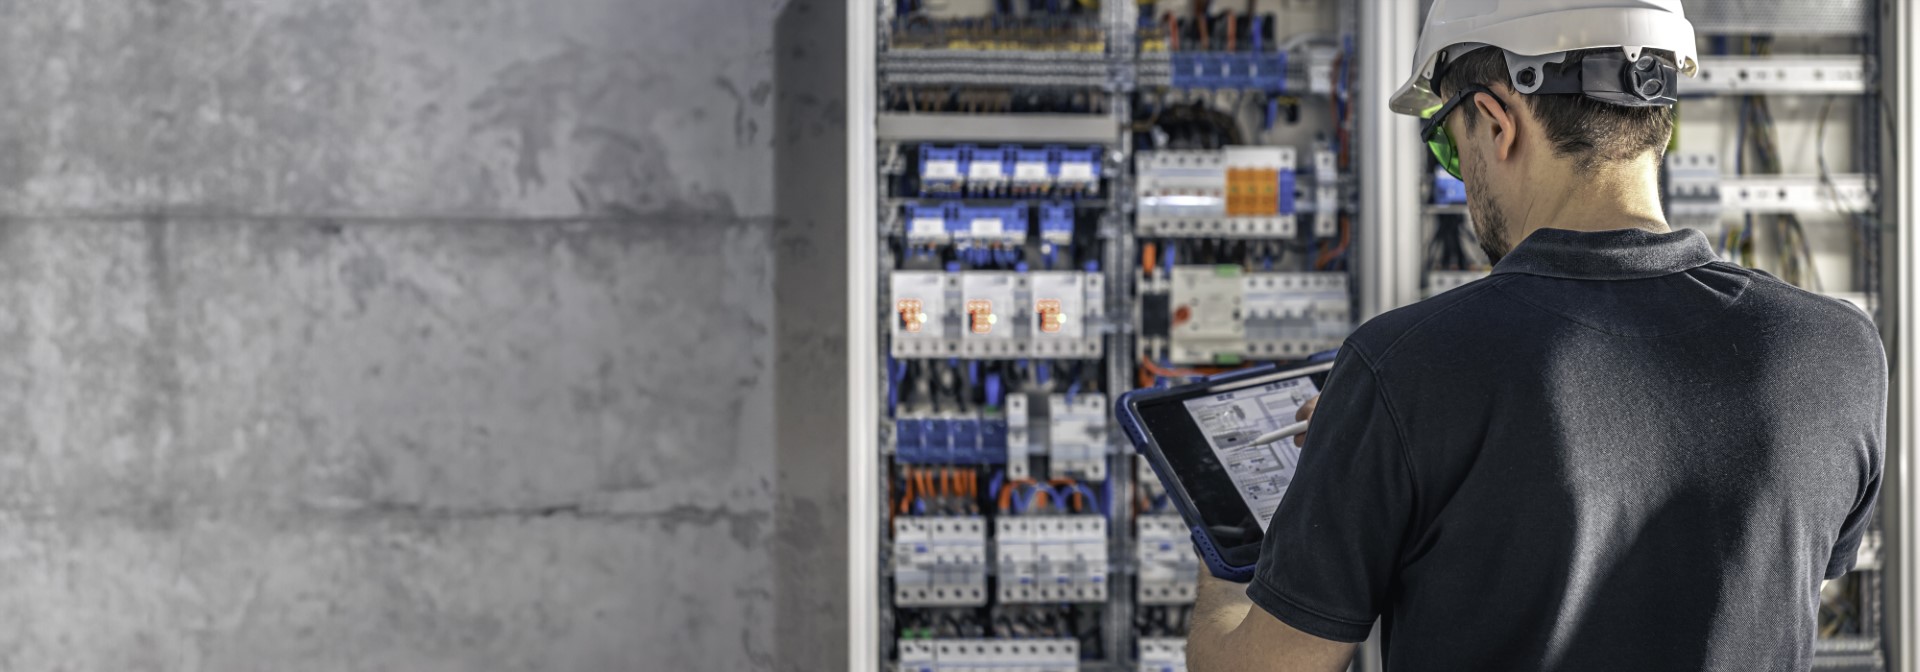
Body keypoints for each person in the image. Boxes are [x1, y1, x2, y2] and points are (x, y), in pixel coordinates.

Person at [1184, 1, 1886, 670]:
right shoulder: (1838, 352)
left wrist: (1230, 550)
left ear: (1496, 122)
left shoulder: (1402, 369)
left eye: (1449, 149)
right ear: (1659, 119)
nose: (1462, 181)